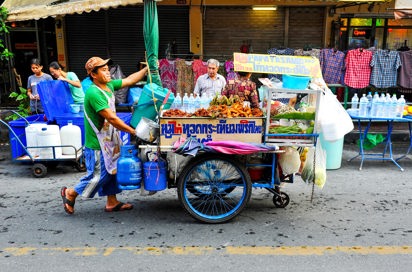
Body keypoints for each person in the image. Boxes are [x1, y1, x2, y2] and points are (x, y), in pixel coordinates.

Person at [60, 57, 148, 215]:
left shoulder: (108, 86)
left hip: (110, 139)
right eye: (104, 70)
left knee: (113, 170)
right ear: (94, 74)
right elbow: (112, 118)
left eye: (108, 69)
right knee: (98, 175)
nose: (108, 72)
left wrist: (147, 69)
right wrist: (134, 132)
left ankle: (112, 202)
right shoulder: (94, 93)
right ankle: (71, 193)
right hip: (97, 142)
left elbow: (128, 80)